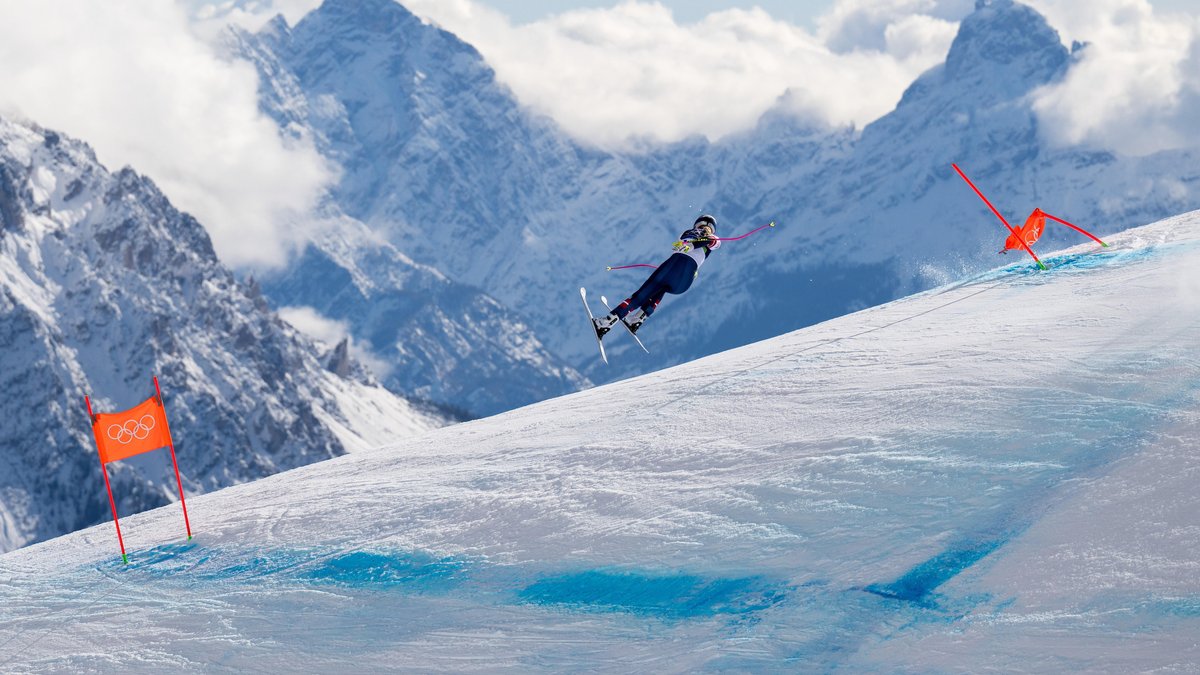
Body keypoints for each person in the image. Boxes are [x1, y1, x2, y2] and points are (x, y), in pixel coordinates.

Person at [594, 214, 721, 337]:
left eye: (709, 228)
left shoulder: (711, 239)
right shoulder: (691, 233)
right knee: (660, 290)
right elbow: (697, 240)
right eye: (704, 226)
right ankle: (637, 320)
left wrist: (693, 244)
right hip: (683, 283)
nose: (705, 229)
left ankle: (606, 323)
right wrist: (698, 240)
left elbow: (712, 241)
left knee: (641, 296)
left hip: (675, 267)